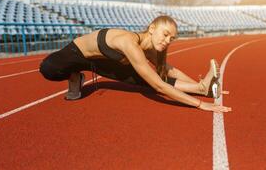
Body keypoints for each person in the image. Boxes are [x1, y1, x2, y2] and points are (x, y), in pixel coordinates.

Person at [39, 15, 232, 113]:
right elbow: (159, 85)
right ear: (151, 28)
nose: (167, 41)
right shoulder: (128, 43)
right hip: (78, 54)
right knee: (47, 68)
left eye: (171, 38)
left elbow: (167, 71)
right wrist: (200, 105)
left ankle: (202, 87)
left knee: (145, 78)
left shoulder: (148, 49)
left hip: (103, 63)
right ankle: (75, 74)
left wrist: (200, 88)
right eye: (165, 34)